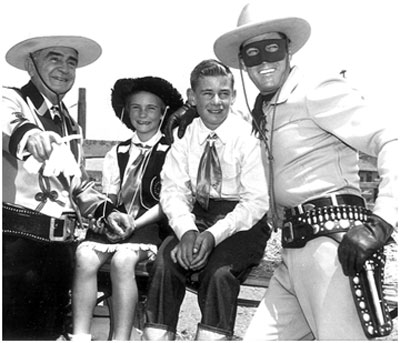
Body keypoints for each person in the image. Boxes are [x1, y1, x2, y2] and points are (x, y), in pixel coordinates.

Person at [210, 3, 397, 340]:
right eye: (252, 54)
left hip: (332, 247)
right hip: (292, 253)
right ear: (241, 63)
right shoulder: (269, 107)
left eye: (273, 49)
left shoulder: (315, 88)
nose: (264, 62)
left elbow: (391, 139)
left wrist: (381, 222)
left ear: (289, 50)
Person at [2, 35, 133, 340]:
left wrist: (106, 212)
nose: (64, 68)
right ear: (29, 65)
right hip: (15, 248)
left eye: (71, 61)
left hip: (60, 252)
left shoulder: (70, 125)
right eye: (54, 58)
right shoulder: (10, 100)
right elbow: (13, 127)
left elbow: (77, 183)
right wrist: (32, 137)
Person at [142, 59, 271, 340]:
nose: (216, 102)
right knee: (165, 263)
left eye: (224, 93)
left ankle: (214, 335)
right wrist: (186, 231)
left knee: (219, 273)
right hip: (195, 217)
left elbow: (255, 202)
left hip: (241, 223)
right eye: (207, 93)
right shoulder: (185, 136)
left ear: (233, 96)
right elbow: (173, 191)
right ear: (192, 97)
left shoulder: (248, 137)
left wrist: (212, 236)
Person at [71, 76, 183, 341]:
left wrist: (136, 223)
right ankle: (80, 335)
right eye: (136, 107)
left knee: (123, 261)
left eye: (151, 108)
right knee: (84, 257)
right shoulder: (116, 152)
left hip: (149, 225)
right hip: (117, 224)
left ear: (163, 112)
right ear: (126, 111)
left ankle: (120, 337)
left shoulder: (172, 152)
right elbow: (109, 197)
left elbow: (167, 201)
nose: (143, 114)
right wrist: (107, 219)